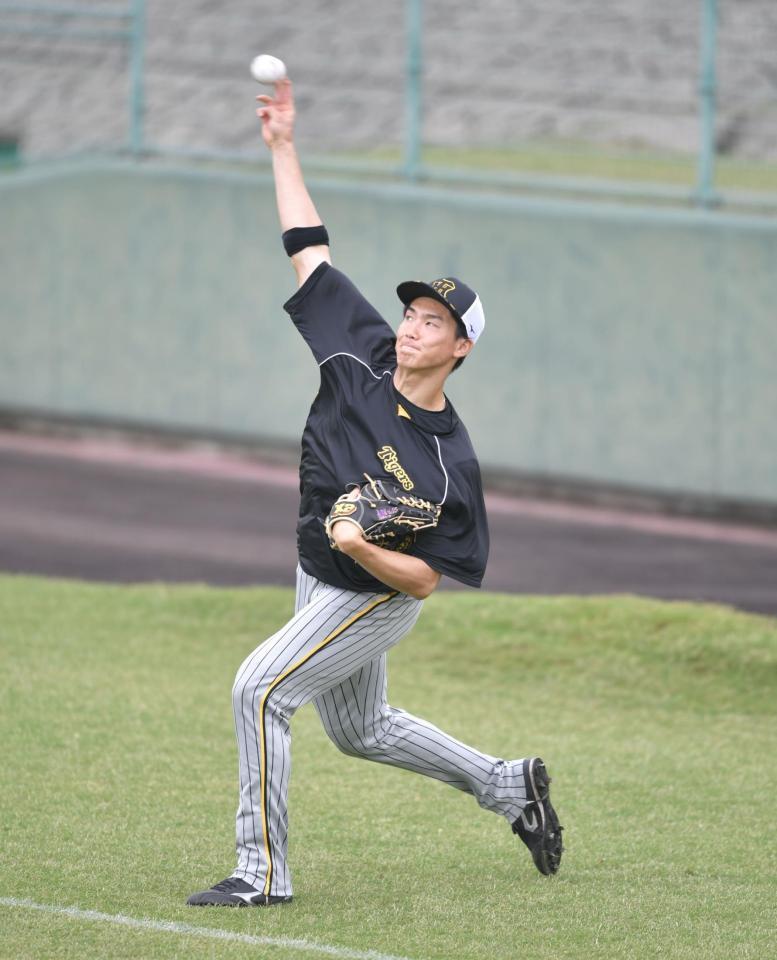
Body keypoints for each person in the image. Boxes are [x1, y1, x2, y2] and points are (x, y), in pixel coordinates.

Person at [187, 77, 562, 908]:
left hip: (374, 591)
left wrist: (360, 546)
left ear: (460, 348)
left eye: (433, 321)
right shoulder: (358, 356)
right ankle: (508, 785)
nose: (411, 325)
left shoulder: (448, 467)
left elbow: (430, 578)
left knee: (260, 689)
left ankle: (261, 875)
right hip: (318, 568)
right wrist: (282, 143)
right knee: (360, 731)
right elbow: (307, 247)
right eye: (412, 313)